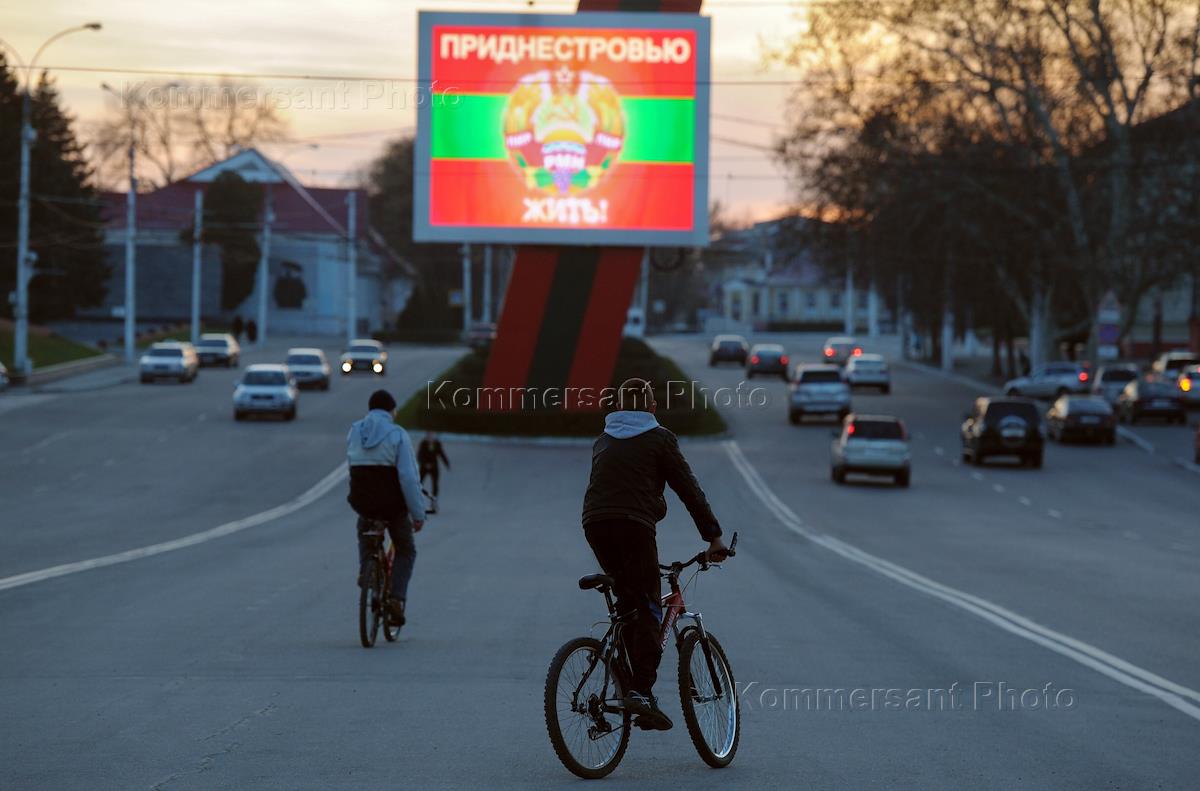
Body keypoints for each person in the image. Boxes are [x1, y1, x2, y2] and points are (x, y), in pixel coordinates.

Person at [581, 378, 729, 732]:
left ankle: (629, 681)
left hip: (594, 524)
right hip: (633, 527)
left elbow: (612, 487)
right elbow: (688, 489)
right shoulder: (660, 438)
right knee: (648, 603)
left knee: (629, 601)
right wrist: (715, 537)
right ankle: (642, 693)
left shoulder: (603, 439)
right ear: (651, 407)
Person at [346, 390, 426, 626]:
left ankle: (366, 571)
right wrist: (418, 514)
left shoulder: (355, 431)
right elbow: (409, 479)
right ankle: (395, 599)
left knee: (365, 529)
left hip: (363, 502)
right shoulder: (397, 434)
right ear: (392, 410)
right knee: (405, 550)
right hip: (392, 506)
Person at [417, 431, 450, 509]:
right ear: (426, 437)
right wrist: (425, 464)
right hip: (424, 467)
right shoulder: (423, 444)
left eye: (432, 436)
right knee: (418, 484)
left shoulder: (437, 444)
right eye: (429, 436)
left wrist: (447, 463)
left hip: (434, 467)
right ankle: (417, 501)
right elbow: (419, 455)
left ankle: (433, 502)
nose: (430, 438)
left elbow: (441, 454)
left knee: (435, 485)